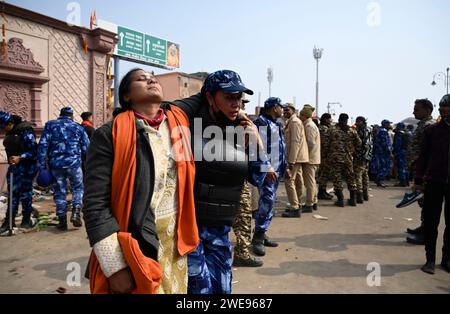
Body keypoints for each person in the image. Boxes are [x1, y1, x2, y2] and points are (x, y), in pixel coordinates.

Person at [83, 68, 199, 294]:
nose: (151, 80)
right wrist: (115, 267)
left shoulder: (176, 121)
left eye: (153, 78)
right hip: (138, 242)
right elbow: (95, 203)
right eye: (141, 79)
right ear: (127, 96)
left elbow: (209, 97)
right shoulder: (110, 134)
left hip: (175, 241)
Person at [175, 70, 267, 294]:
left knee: (223, 291)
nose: (236, 104)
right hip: (188, 231)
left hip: (220, 232)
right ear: (209, 97)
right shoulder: (188, 124)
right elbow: (169, 109)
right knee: (199, 290)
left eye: (238, 98)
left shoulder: (242, 130)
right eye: (228, 97)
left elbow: (258, 176)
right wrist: (201, 95)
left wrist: (256, 143)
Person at [37, 107, 89, 231]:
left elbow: (43, 145)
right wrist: (87, 163)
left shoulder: (50, 125)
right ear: (71, 116)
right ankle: (76, 211)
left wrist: (41, 165)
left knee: (60, 192)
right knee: (78, 188)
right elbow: (87, 147)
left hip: (56, 165)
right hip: (74, 164)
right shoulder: (78, 127)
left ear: (60, 115)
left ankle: (62, 221)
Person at [414, 94, 450, 274]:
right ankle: (430, 260)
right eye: (442, 106)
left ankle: (446, 259)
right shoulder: (432, 131)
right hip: (434, 182)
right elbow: (422, 158)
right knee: (430, 223)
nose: (444, 109)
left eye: (447, 106)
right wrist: (418, 182)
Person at [252, 97, 287, 256]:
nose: (283, 110)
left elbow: (281, 147)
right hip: (267, 170)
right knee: (267, 201)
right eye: (281, 107)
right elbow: (258, 148)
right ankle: (257, 238)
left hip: (277, 169)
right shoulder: (261, 122)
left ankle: (262, 232)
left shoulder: (276, 124)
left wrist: (285, 166)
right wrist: (267, 167)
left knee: (270, 202)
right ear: (274, 107)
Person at [232, 98, 263, 267]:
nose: (241, 105)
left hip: (237, 174)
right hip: (231, 176)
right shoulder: (241, 121)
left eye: (241, 102)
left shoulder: (240, 120)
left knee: (242, 215)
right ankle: (242, 253)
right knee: (243, 215)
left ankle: (242, 251)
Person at [0, 112, 38, 234]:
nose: (2, 130)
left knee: (25, 194)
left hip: (27, 167)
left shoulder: (25, 130)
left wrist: (20, 157)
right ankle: (8, 222)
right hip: (14, 168)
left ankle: (26, 220)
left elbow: (34, 152)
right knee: (12, 194)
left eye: (3, 127)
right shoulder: (10, 131)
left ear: (10, 123)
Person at [406, 99, 435, 245]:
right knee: (423, 201)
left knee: (427, 202)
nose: (413, 112)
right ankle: (423, 227)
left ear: (427, 110)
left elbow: (429, 152)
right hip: (419, 168)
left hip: (425, 170)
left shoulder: (429, 126)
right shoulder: (423, 124)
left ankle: (426, 233)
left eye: (417, 109)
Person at [281, 103, 309, 218]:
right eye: (284, 110)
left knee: (289, 181)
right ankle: (297, 204)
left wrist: (291, 161)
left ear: (293, 110)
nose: (284, 112)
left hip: (295, 157)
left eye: (287, 110)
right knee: (297, 181)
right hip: (297, 157)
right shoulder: (291, 122)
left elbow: (295, 142)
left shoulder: (295, 122)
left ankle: (294, 207)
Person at [328, 113, 361, 207]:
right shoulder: (352, 131)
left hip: (335, 158)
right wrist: (352, 149)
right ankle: (353, 199)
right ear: (346, 120)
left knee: (337, 179)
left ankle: (341, 200)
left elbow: (326, 143)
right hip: (348, 158)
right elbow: (359, 143)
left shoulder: (332, 130)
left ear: (339, 119)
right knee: (351, 178)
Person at [299, 105, 321, 212]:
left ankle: (309, 204)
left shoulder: (309, 126)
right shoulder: (308, 125)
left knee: (309, 183)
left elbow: (310, 143)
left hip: (310, 159)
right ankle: (314, 201)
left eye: (301, 115)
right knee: (311, 181)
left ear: (304, 116)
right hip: (312, 158)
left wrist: (303, 154)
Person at [353, 117, 373, 203]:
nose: (356, 123)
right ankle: (366, 194)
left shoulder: (360, 131)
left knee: (358, 175)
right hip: (367, 156)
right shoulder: (368, 130)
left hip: (360, 156)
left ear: (361, 122)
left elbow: (359, 144)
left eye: (357, 121)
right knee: (365, 175)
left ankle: (359, 196)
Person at [318, 113, 334, 200]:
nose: (330, 121)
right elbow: (325, 142)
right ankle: (321, 192)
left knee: (324, 174)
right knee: (324, 174)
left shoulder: (324, 128)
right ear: (326, 120)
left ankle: (322, 191)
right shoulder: (323, 129)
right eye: (329, 119)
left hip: (323, 154)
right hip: (324, 154)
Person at [373, 119, 393, 188]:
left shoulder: (380, 130)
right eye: (388, 124)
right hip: (384, 153)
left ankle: (379, 180)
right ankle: (379, 180)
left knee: (382, 166)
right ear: (385, 124)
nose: (389, 125)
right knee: (385, 167)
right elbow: (385, 143)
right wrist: (390, 152)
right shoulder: (383, 131)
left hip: (380, 152)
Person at [393, 122, 410, 187]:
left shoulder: (399, 134)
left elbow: (398, 144)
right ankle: (406, 181)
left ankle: (402, 182)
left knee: (401, 167)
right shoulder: (406, 133)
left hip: (400, 151)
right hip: (405, 151)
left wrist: (395, 152)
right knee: (405, 167)